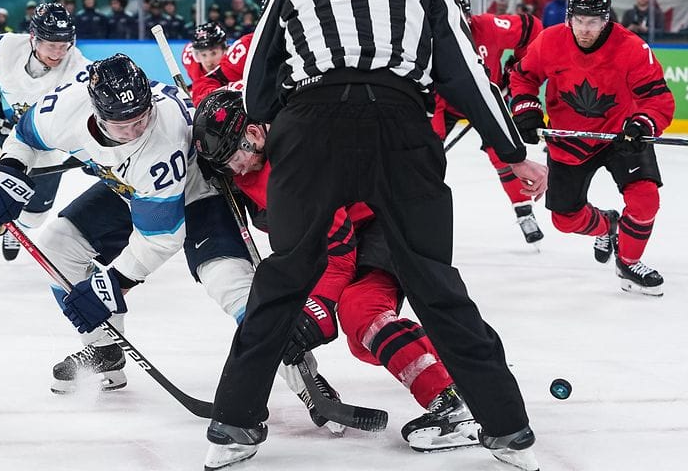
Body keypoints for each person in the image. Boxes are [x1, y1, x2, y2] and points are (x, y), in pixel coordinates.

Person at [203, 0, 546, 471]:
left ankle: (233, 424)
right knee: (434, 281)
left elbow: (257, 89)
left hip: (309, 129)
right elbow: (466, 74)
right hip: (400, 126)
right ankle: (507, 428)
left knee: (285, 275)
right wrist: (512, 153)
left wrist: (289, 123)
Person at [0, 54, 343, 430]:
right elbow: (26, 136)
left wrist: (112, 285)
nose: (135, 129)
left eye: (141, 117)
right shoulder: (66, 106)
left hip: (198, 192)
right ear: (96, 110)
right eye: (122, 124)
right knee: (57, 248)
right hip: (129, 187)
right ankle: (105, 350)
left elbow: (161, 238)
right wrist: (8, 172)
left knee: (233, 287)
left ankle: (306, 380)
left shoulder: (161, 140)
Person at [194, 89, 482, 453]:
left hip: (386, 220)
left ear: (254, 134)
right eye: (225, 166)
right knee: (365, 341)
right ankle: (462, 371)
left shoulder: (292, 162)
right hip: (361, 218)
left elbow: (339, 250)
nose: (234, 170)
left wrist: (315, 310)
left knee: (361, 313)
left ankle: (454, 402)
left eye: (234, 158)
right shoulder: (256, 154)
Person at [509, 0, 675, 296]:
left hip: (620, 135)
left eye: (594, 21)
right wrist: (527, 109)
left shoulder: (631, 48)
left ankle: (628, 262)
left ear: (606, 19)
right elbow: (523, 77)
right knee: (564, 219)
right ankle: (607, 226)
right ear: (569, 17)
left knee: (645, 198)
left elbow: (658, 99)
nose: (585, 29)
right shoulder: (550, 41)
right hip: (569, 139)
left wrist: (643, 124)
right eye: (580, 20)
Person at [0, 2, 88, 289]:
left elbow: (87, 116)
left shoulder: (78, 70)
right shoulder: (5, 49)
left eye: (65, 45)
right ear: (34, 37)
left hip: (48, 143)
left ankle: (17, 225)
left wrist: (91, 152)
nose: (59, 53)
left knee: (35, 217)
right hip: (9, 137)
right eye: (51, 44)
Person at [436, 0, 545, 246]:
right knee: (426, 156)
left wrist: (515, 69)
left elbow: (532, 28)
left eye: (462, 17)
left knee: (504, 155)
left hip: (485, 100)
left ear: (470, 16)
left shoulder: (489, 27)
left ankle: (523, 209)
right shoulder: (429, 36)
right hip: (443, 102)